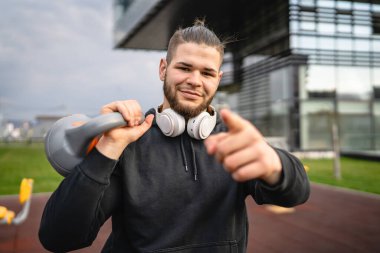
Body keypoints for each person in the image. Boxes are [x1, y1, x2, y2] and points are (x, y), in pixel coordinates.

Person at [39, 19, 310, 253]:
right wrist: (108, 148)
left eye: (207, 73)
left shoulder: (232, 139)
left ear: (218, 79)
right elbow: (58, 237)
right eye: (184, 68)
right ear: (163, 69)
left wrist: (276, 165)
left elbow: (296, 194)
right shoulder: (127, 142)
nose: (195, 80)